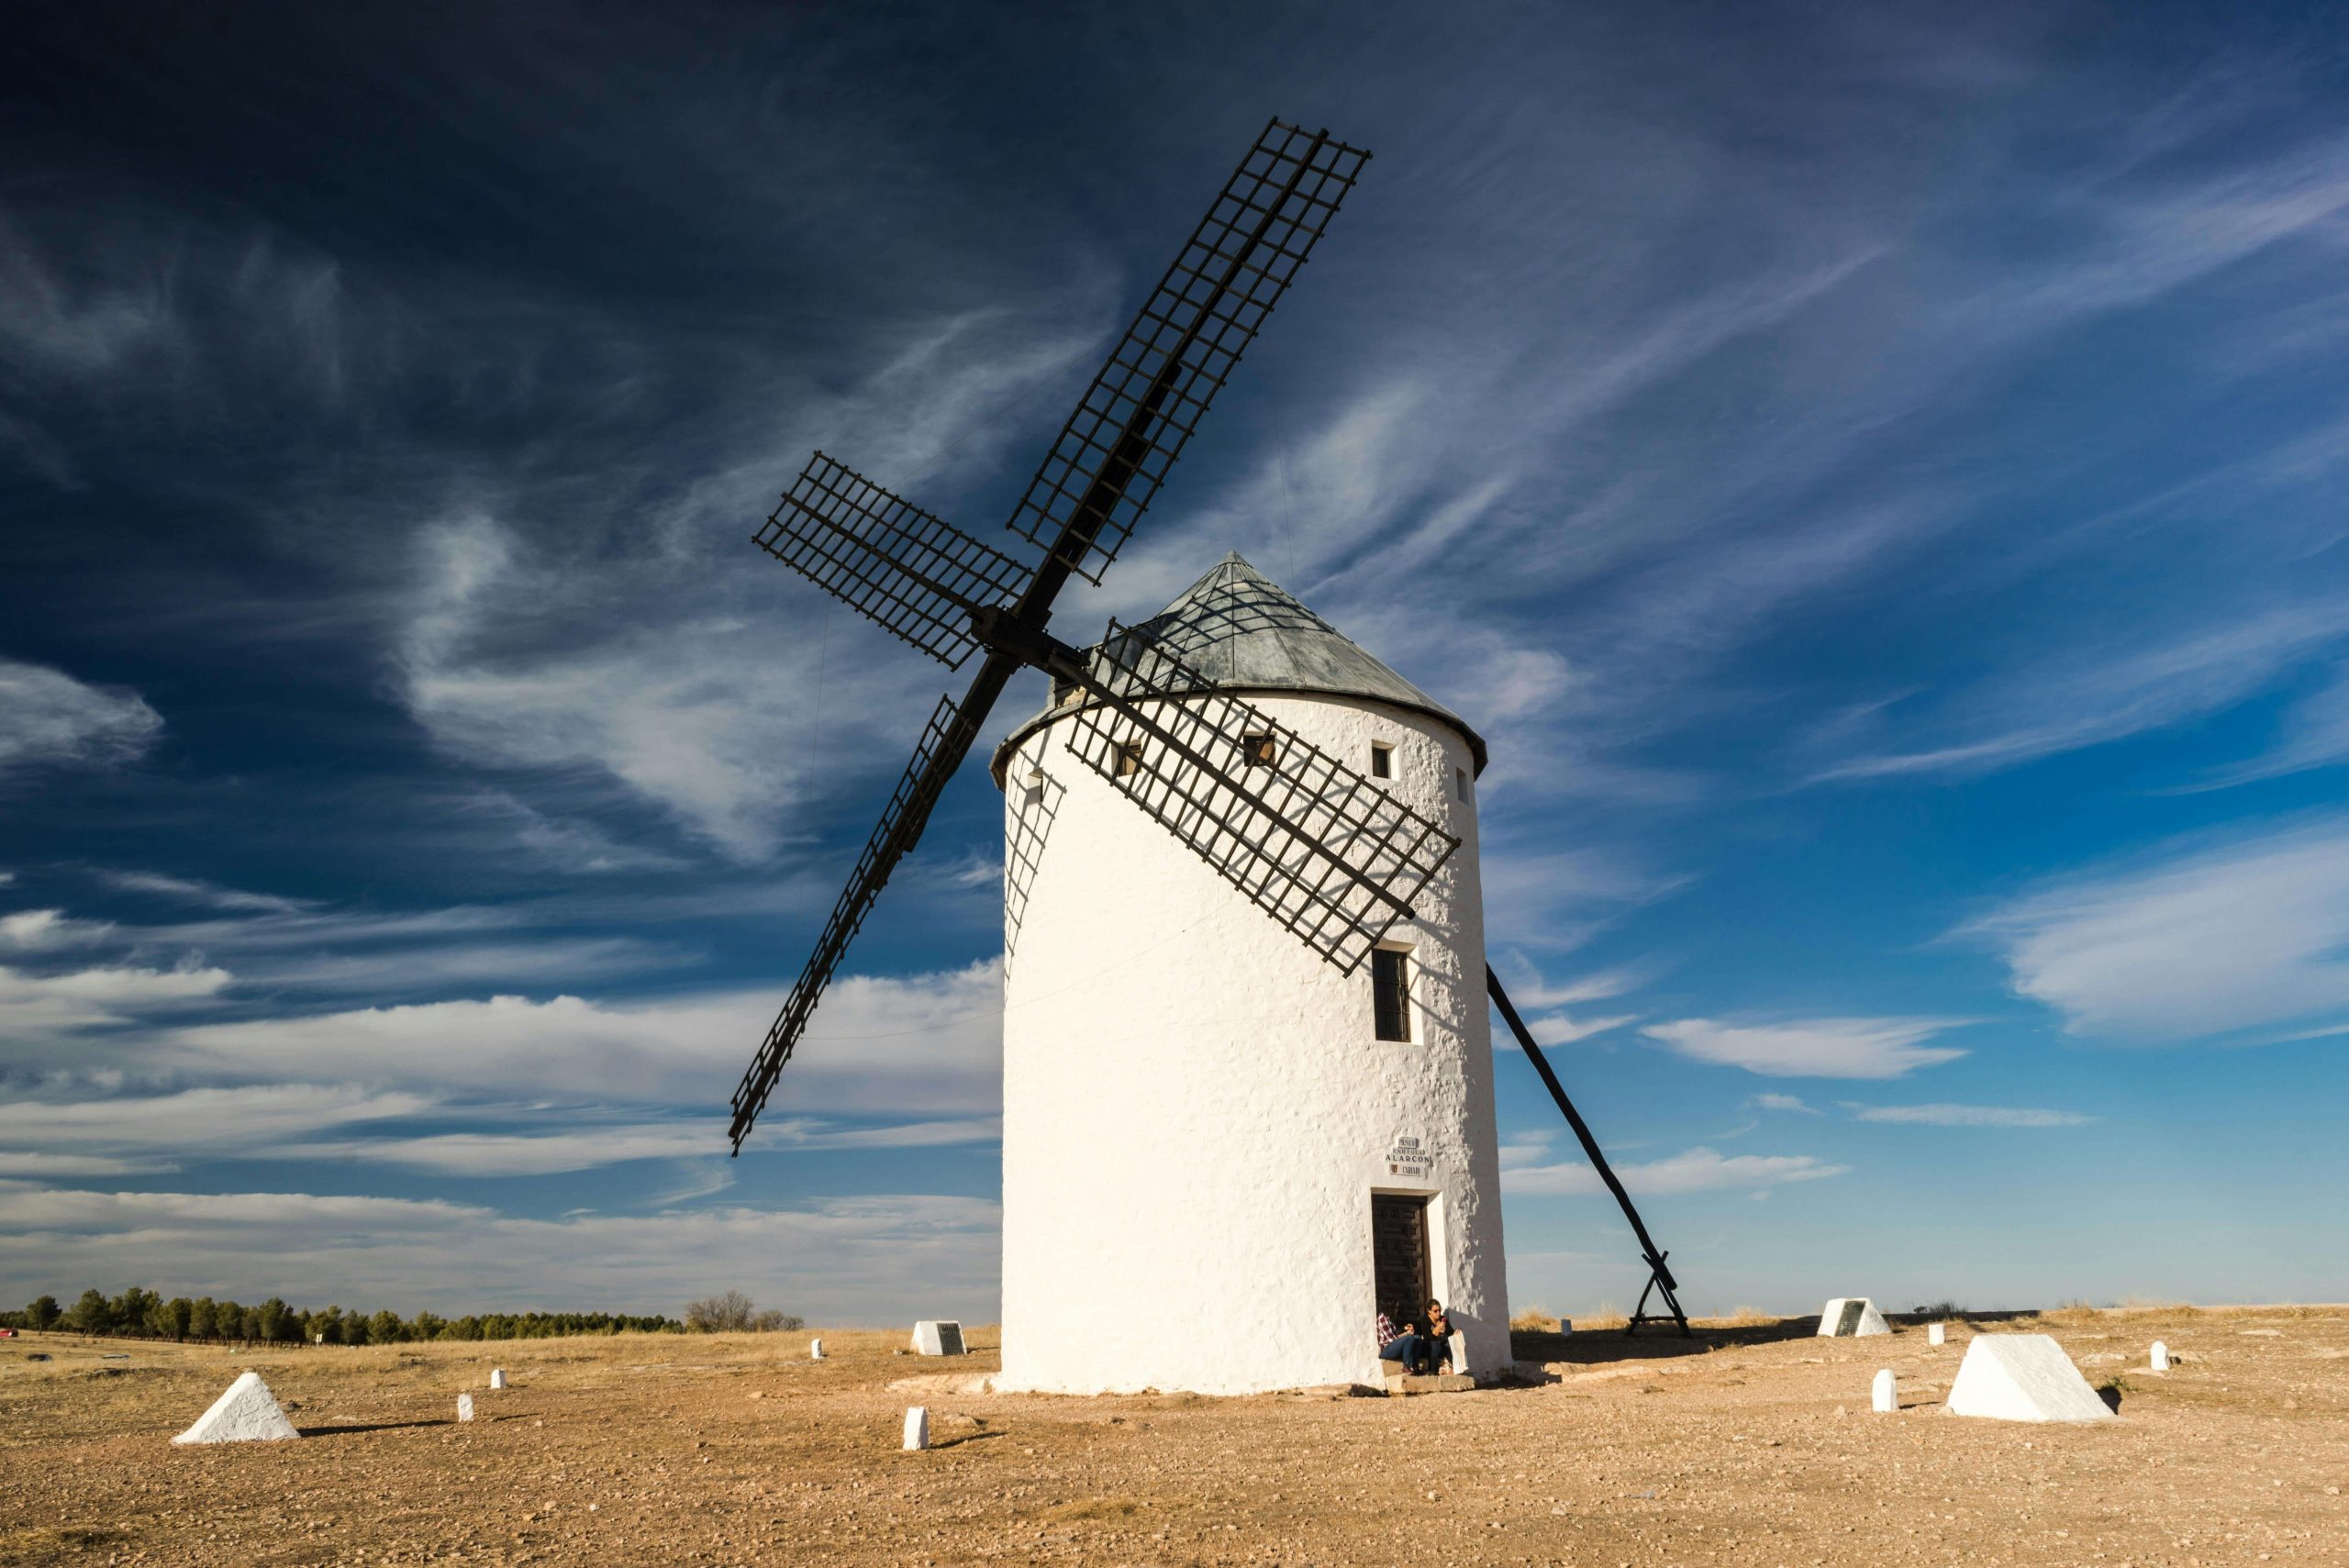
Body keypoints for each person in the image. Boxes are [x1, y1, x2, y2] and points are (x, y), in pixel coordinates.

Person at [1375, 1307, 1423, 1374]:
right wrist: (1406, 1334)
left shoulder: (1389, 1318)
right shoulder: (1382, 1318)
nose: (1397, 1309)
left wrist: (1405, 1328)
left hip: (1393, 1347)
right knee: (1409, 1338)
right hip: (1386, 1350)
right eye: (1396, 1307)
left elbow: (1395, 1333)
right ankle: (1406, 1367)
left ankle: (1415, 1367)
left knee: (1417, 1338)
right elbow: (1392, 1339)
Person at [1423, 1299, 1453, 1373]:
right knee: (1434, 1344)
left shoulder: (1443, 1319)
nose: (1438, 1313)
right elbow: (1428, 1337)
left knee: (1448, 1348)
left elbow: (1451, 1332)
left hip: (1440, 1348)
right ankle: (1432, 1369)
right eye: (1435, 1311)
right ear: (1429, 1311)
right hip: (1427, 1348)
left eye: (1439, 1310)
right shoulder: (1425, 1320)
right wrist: (1438, 1327)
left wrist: (1456, 1332)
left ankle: (1453, 1368)